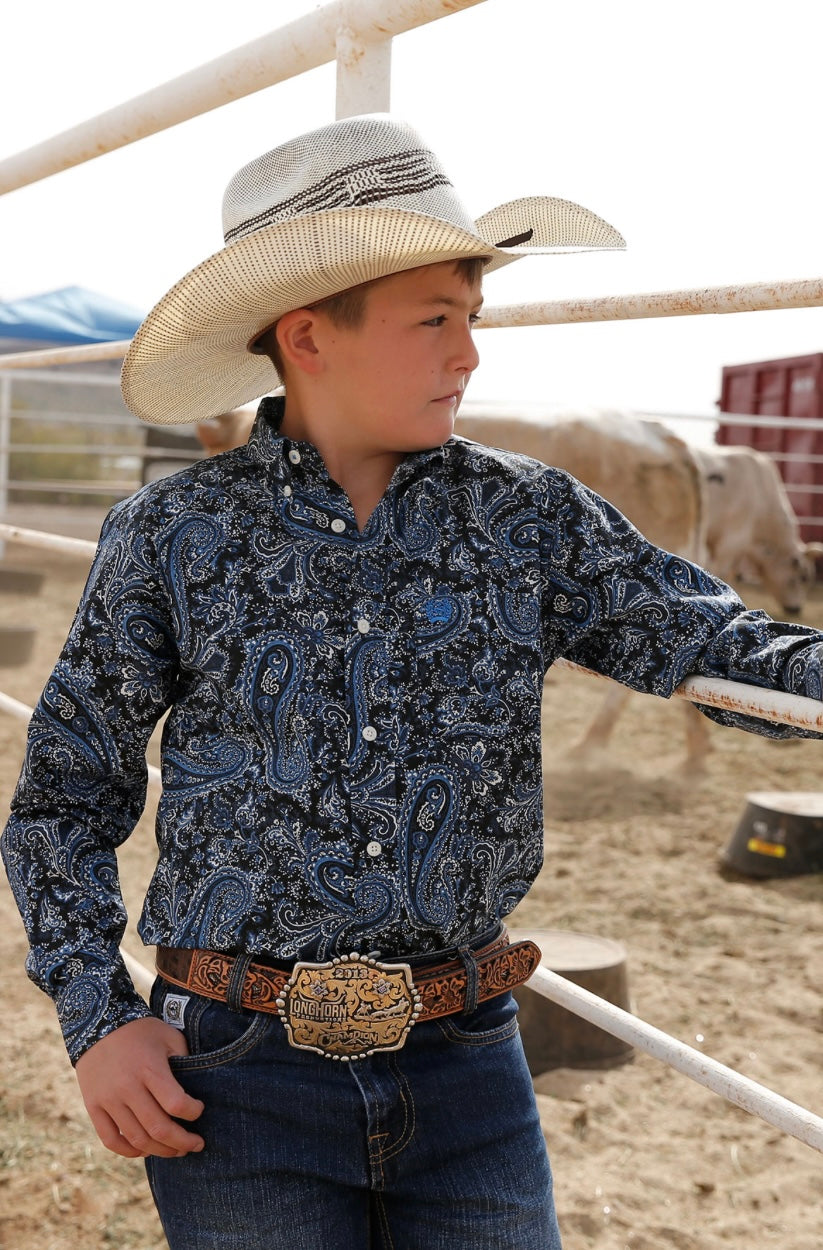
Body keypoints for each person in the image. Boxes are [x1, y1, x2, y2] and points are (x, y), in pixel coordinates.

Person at [2, 114, 822, 1250]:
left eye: (472, 319)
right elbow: (61, 799)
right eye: (435, 319)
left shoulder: (527, 518)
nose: (470, 353)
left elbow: (722, 646)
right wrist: (98, 1016)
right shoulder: (172, 536)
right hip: (234, 1074)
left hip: (469, 1060)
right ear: (307, 336)